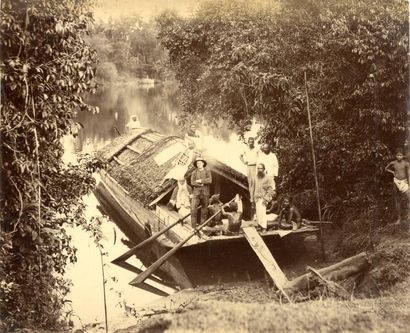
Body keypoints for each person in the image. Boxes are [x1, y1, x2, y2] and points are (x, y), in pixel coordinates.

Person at [385, 148, 410, 224]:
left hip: (404, 182)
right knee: (397, 200)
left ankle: (409, 214)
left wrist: (409, 183)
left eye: (400, 155)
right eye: (397, 155)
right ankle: (399, 218)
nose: (399, 156)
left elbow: (409, 174)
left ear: (403, 156)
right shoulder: (393, 163)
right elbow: (386, 168)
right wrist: (392, 172)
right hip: (396, 182)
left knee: (408, 197)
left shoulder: (406, 163)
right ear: (395, 156)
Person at [190, 157, 212, 228]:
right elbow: (192, 182)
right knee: (193, 208)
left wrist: (200, 181)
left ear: (203, 163)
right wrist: (201, 184)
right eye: (197, 163)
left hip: (205, 193)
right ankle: (193, 226)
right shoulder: (194, 172)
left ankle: (202, 226)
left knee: (204, 209)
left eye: (199, 163)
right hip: (196, 193)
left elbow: (210, 180)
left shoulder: (207, 171)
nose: (198, 164)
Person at [254, 163, 275, 233]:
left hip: (264, 198)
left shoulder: (268, 178)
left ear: (264, 169)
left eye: (261, 168)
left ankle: (264, 228)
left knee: (262, 213)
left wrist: (266, 199)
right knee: (258, 213)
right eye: (258, 168)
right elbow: (254, 188)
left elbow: (271, 189)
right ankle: (259, 226)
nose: (259, 170)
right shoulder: (256, 178)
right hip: (257, 198)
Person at [239, 137, 259, 208]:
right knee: (250, 183)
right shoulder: (245, 149)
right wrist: (244, 162)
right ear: (248, 142)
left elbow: (260, 158)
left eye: (252, 142)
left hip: (255, 166)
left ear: (254, 142)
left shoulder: (257, 149)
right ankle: (252, 200)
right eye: (250, 142)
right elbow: (240, 156)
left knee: (255, 182)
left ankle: (255, 199)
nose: (251, 143)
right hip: (249, 167)